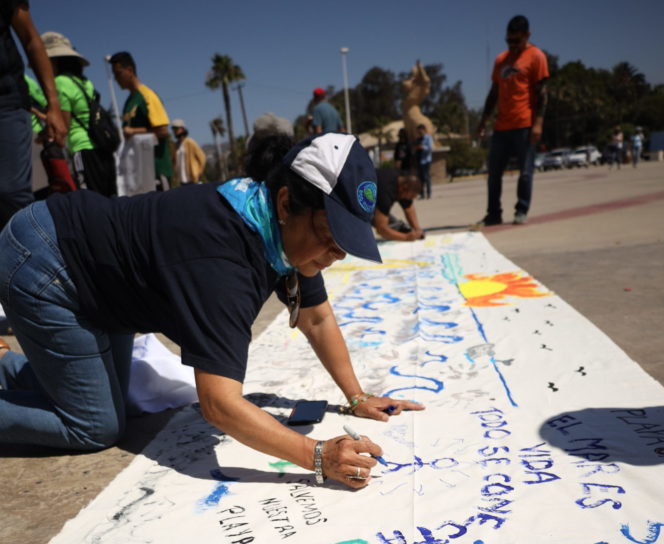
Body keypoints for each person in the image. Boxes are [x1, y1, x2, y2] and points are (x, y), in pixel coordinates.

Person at [0, 132, 424, 488]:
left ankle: (4, 363)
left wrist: (357, 397)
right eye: (331, 237)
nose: (334, 255)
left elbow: (316, 317)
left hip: (99, 282)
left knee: (109, 399)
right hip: (48, 263)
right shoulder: (224, 261)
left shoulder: (286, 236)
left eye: (344, 245)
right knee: (93, 426)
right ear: (284, 203)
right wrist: (316, 456)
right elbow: (219, 404)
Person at [476, 14, 549, 226]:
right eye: (509, 41)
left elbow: (543, 92)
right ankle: (493, 213)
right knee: (493, 173)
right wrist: (483, 121)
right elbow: (494, 92)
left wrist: (538, 123)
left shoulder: (536, 57)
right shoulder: (501, 60)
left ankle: (521, 210)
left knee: (525, 173)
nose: (513, 45)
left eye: (517, 40)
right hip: (502, 126)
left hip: (524, 125)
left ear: (527, 36)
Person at [0, 0, 66, 228]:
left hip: (6, 100)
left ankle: (34, 260)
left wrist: (53, 106)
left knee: (10, 193)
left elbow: (30, 38)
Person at [41, 31, 116, 197]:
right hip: (102, 147)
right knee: (108, 199)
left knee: (89, 200)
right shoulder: (85, 82)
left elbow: (64, 126)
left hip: (82, 148)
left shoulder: (60, 83)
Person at [108, 50, 172, 190]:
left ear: (130, 71)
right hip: (139, 173)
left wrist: (134, 131)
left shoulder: (147, 96)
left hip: (156, 170)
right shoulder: (129, 101)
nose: (116, 79)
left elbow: (163, 131)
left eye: (118, 74)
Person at [372, 167, 424, 242]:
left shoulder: (402, 179)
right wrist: (406, 237)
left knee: (402, 229)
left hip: (376, 191)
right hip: (356, 199)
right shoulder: (386, 193)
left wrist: (417, 229)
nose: (410, 200)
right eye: (411, 197)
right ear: (403, 189)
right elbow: (381, 229)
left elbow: (409, 207)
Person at [171, 118, 206, 185]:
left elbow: (202, 157)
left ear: (182, 129)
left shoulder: (190, 142)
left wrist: (198, 172)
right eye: (174, 129)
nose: (175, 131)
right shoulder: (176, 145)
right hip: (181, 180)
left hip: (192, 179)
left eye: (176, 129)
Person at [414, 124, 433, 199]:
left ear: (424, 130)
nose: (420, 133)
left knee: (427, 177)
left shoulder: (428, 138)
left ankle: (429, 193)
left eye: (421, 131)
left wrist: (422, 147)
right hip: (420, 160)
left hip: (426, 160)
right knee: (420, 178)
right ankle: (422, 194)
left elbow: (430, 148)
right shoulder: (419, 139)